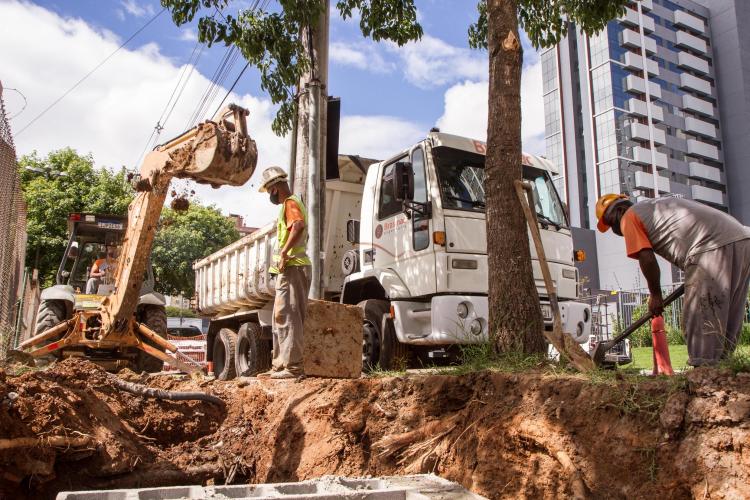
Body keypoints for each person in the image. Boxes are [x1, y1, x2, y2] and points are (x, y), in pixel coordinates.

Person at [596, 193, 750, 366]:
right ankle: (724, 368)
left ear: (620, 209)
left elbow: (646, 258)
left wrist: (655, 295)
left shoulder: (629, 216)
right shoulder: (655, 206)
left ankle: (704, 371)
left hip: (709, 246)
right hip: (741, 238)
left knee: (700, 312)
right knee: (727, 311)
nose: (614, 230)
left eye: (610, 223)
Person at [258, 166, 311, 379]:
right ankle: (280, 365)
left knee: (289, 316)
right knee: (281, 315)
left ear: (273, 189)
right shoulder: (290, 204)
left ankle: (293, 367)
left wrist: (284, 251)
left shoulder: (290, 203)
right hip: (291, 267)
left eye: (268, 192)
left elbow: (297, 225)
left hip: (294, 266)